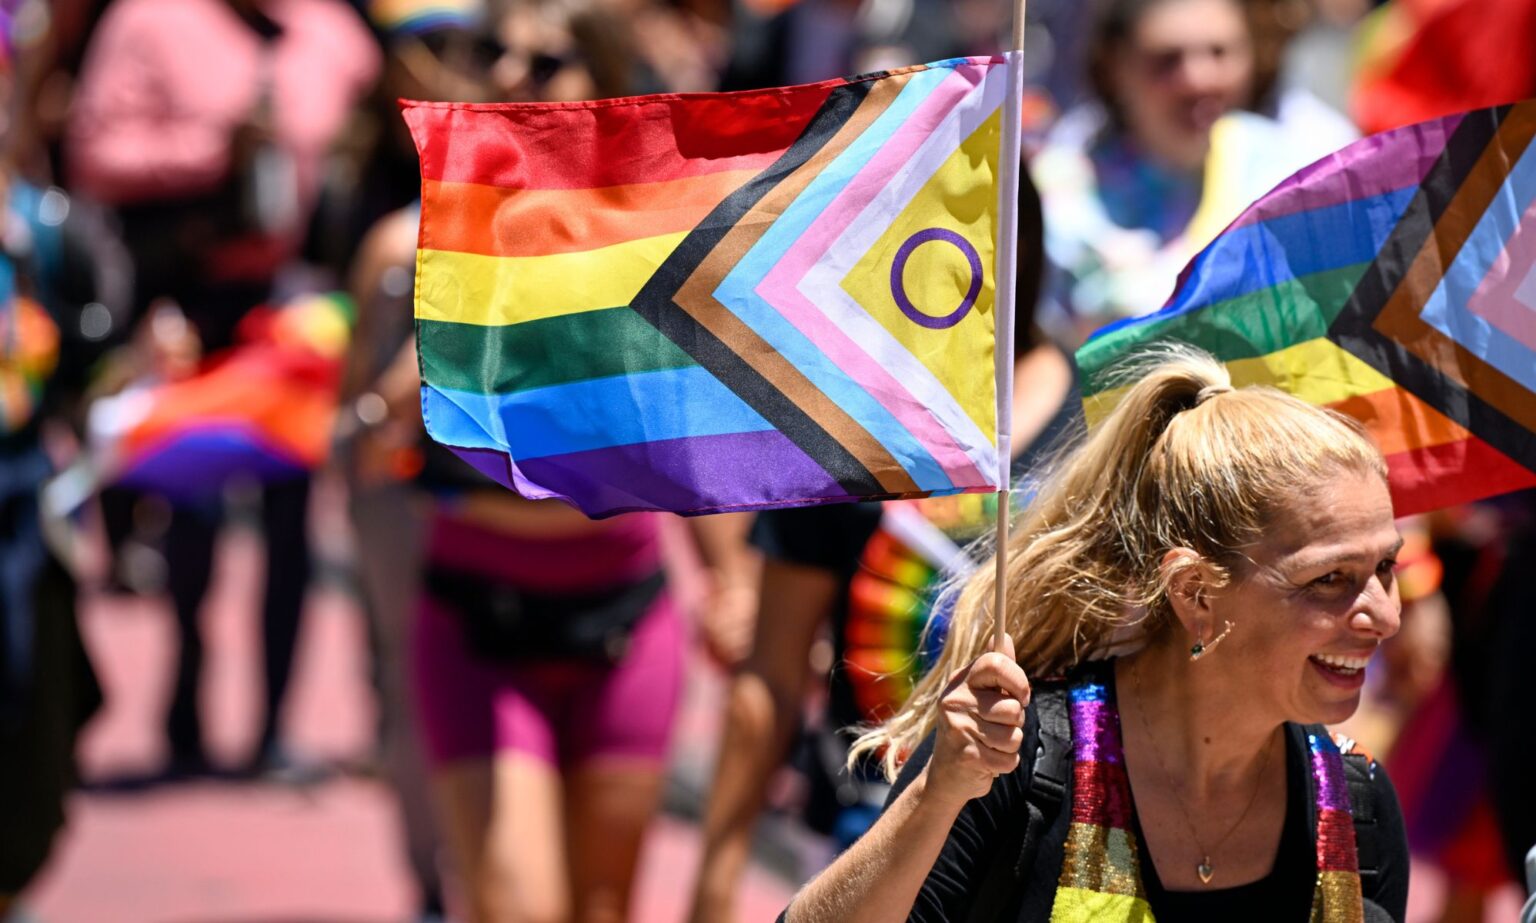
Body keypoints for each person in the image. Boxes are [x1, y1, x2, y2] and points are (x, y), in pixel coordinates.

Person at [782, 348, 1410, 921]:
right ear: (1195, 592)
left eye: (1385, 567)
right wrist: (935, 795)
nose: (1385, 617)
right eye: (1330, 579)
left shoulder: (1359, 809)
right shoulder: (1011, 759)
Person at [687, 165, 1076, 923]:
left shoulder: (1097, 419)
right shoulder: (837, 430)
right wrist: (716, 875)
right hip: (864, 833)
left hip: (1039, 846)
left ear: (1024, 237)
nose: (947, 260)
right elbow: (771, 674)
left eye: (976, 226)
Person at [65, 0, 379, 774]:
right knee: (191, 518)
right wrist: (213, 151)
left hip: (291, 307)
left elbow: (375, 115)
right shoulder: (148, 21)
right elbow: (95, 153)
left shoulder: (328, 31)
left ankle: (273, 728)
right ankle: (185, 710)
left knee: (291, 520)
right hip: (190, 301)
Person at [1032, 0, 1354, 347]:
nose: (1198, 79)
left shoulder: (1300, 172)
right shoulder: (1060, 190)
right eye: (1167, 60)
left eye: (1219, 53)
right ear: (1114, 66)